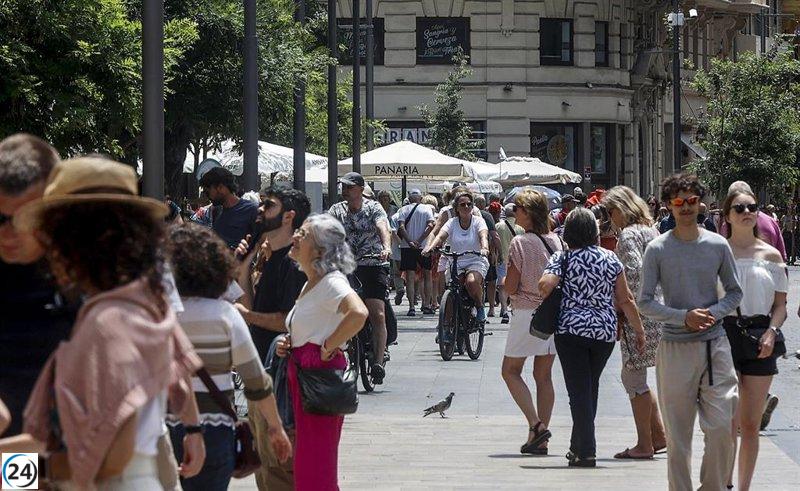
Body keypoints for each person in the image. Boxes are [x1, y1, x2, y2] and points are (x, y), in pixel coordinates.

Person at [10, 156, 206, 488]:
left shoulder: (108, 323)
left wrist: (12, 473)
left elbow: (108, 456)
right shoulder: (141, 306)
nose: (47, 250)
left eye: (51, 236)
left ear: (78, 241)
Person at [167, 224, 292, 491]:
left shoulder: (158, 315)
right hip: (215, 430)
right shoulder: (225, 315)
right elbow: (256, 381)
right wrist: (274, 426)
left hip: (165, 427)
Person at [639, 173, 742, 491]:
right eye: (679, 201)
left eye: (692, 201)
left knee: (722, 428)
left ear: (701, 203)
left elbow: (735, 293)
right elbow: (644, 301)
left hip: (715, 347)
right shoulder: (657, 248)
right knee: (678, 439)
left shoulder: (718, 245)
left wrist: (712, 314)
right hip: (674, 350)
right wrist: (683, 317)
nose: (686, 207)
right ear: (669, 205)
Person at [538, 208, 646, 468]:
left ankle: (586, 450)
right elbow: (625, 299)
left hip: (571, 331)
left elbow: (545, 286)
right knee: (589, 387)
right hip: (603, 333)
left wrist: (553, 281)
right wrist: (639, 330)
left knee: (579, 391)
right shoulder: (610, 258)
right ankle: (577, 446)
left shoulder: (562, 257)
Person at [276, 214, 369, 491]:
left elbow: (358, 313)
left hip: (318, 377)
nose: (295, 236)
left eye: (303, 234)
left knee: (315, 468)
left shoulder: (331, 282)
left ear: (320, 250)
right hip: (306, 374)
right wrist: (290, 341)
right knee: (308, 466)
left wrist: (328, 346)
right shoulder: (312, 283)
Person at [234, 185, 310, 491]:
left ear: (289, 216)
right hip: (262, 374)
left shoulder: (294, 263)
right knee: (264, 467)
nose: (260, 210)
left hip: (282, 377)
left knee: (280, 468)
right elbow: (250, 308)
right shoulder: (269, 257)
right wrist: (243, 268)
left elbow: (287, 320)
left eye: (269, 205)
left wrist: (249, 316)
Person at [0, 134, 77, 438]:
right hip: (14, 449)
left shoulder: (86, 271)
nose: (9, 233)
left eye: (24, 219)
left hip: (70, 450)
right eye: (0, 218)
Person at [721, 189, 787, 491]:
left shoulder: (771, 256)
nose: (746, 212)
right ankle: (724, 482)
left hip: (761, 336)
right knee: (728, 419)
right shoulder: (718, 253)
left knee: (750, 424)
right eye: (739, 208)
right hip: (726, 334)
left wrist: (772, 331)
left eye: (752, 207)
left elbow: (780, 306)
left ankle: (744, 486)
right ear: (727, 215)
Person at [602, 186, 667, 459]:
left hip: (640, 314)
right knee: (637, 375)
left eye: (610, 211)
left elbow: (633, 273)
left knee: (633, 376)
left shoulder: (628, 235)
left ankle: (645, 443)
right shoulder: (653, 231)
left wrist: (621, 304)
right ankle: (658, 435)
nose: (609, 218)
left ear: (620, 209)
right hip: (660, 310)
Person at [502, 189, 560, 456]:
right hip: (551, 314)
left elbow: (511, 286)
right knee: (543, 376)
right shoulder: (556, 241)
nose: (514, 213)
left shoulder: (520, 242)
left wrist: (505, 283)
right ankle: (539, 439)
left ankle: (536, 425)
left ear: (528, 212)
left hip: (527, 312)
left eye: (518, 208)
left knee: (510, 371)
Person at [328, 172, 392, 384]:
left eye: (349, 187)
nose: (344, 190)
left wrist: (386, 248)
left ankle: (378, 362)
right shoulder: (337, 210)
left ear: (360, 189)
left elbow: (383, 227)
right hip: (346, 266)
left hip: (372, 263)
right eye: (343, 187)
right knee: (339, 310)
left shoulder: (373, 207)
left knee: (377, 313)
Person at [422, 190, 490, 322]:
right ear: (456, 208)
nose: (466, 207)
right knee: (452, 289)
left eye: (469, 204)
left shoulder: (478, 221)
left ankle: (480, 306)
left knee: (471, 282)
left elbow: (483, 236)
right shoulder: (452, 222)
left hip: (475, 259)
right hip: (456, 261)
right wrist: (430, 247)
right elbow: (440, 236)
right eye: (462, 205)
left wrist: (484, 248)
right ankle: (448, 324)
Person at [193, 166, 259, 248]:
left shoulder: (252, 210)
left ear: (220, 187)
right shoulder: (216, 211)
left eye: (208, 192)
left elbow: (261, 244)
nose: (207, 196)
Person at [397, 188, 436, 316]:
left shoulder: (403, 209)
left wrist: (410, 241)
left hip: (407, 247)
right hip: (423, 246)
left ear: (409, 198)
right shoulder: (427, 209)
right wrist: (420, 241)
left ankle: (411, 307)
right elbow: (430, 225)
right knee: (427, 275)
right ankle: (427, 305)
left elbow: (401, 227)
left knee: (410, 277)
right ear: (420, 198)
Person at [495, 203, 524, 323]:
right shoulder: (521, 228)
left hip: (501, 259)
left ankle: (504, 309)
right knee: (515, 286)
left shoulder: (498, 226)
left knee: (502, 285)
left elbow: (493, 243)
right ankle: (512, 308)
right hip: (516, 261)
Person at [475, 194, 501, 317]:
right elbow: (494, 236)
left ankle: (479, 306)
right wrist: (499, 253)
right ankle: (491, 308)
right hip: (487, 253)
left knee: (479, 282)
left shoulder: (468, 215)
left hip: (472, 253)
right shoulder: (487, 216)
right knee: (491, 282)